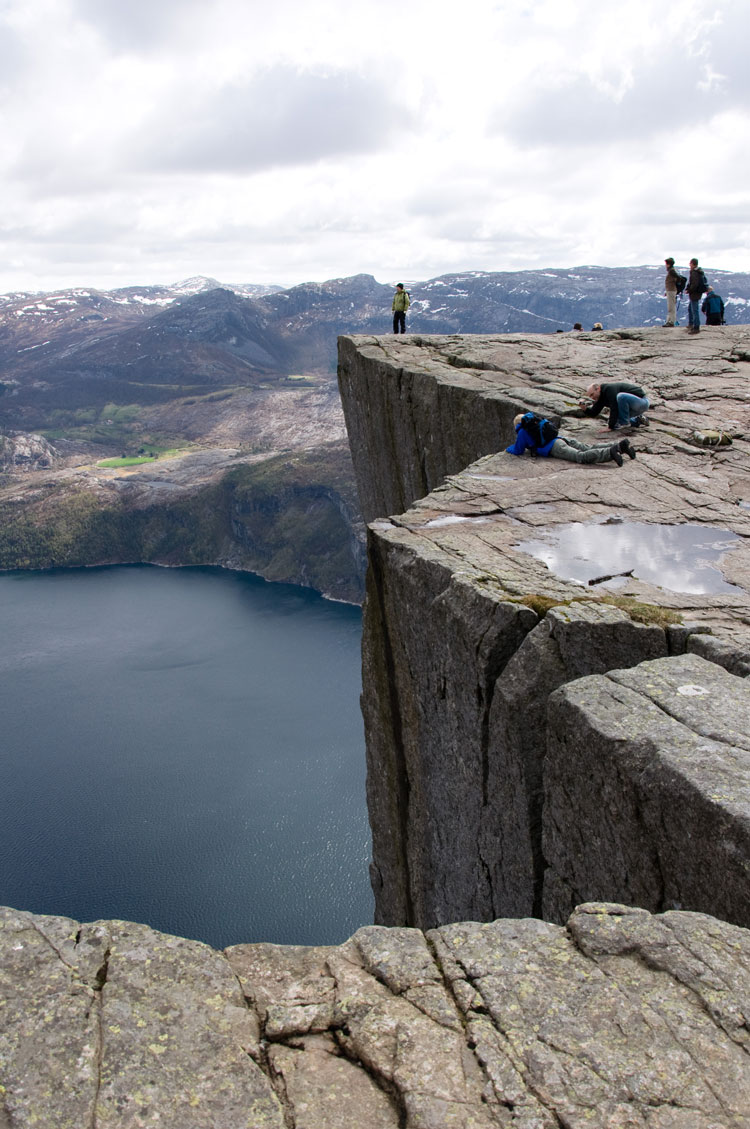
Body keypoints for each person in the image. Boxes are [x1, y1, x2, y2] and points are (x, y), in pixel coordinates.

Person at [506, 414, 635, 466]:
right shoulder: (534, 422)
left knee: (581, 457)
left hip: (555, 447)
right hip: (561, 438)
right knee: (587, 447)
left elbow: (518, 450)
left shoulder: (523, 430)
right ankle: (619, 445)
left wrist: (508, 449)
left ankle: (610, 452)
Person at [580, 381, 649, 432]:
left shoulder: (609, 389)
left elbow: (614, 407)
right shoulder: (600, 397)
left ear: (598, 389)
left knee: (621, 397)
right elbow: (594, 413)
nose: (592, 398)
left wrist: (610, 427)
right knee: (613, 422)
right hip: (631, 407)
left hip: (642, 402)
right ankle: (637, 420)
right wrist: (585, 409)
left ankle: (624, 423)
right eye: (590, 396)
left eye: (592, 394)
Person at [686, 258, 709, 334]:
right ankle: (691, 324)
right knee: (691, 308)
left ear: (693, 264)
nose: (689, 265)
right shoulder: (699, 272)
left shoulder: (695, 273)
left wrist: (689, 290)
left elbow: (694, 284)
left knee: (694, 310)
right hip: (697, 293)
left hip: (694, 293)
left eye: (690, 263)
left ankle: (696, 327)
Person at [663, 257, 681, 326]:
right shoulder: (671, 271)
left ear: (668, 264)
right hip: (670, 290)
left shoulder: (671, 271)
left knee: (671, 307)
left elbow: (678, 278)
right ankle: (669, 320)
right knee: (670, 306)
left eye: (666, 264)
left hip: (671, 290)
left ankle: (671, 322)